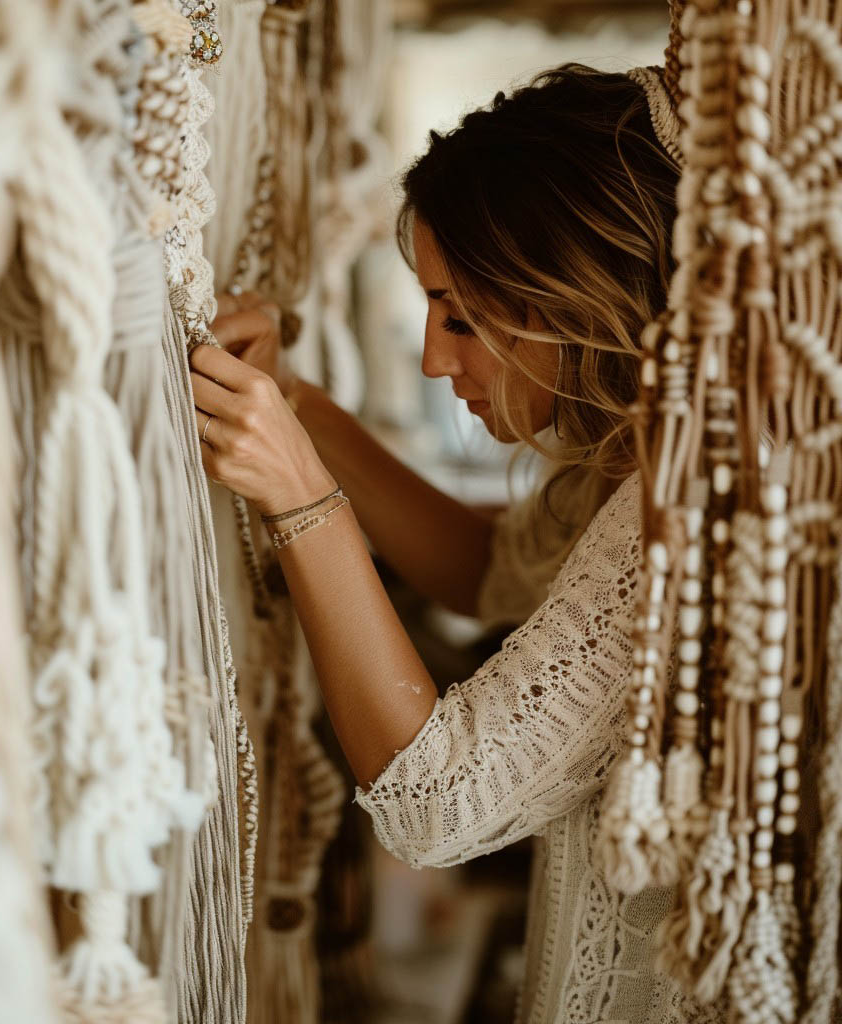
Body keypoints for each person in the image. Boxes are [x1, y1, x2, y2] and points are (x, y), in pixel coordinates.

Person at [190, 65, 712, 1023]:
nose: (436, 358)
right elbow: (487, 571)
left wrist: (302, 497)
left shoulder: (693, 505)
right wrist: (298, 411)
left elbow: (438, 805)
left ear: (581, 297)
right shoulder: (646, 458)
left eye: (463, 316)